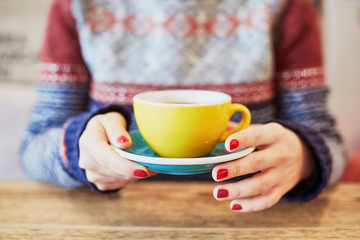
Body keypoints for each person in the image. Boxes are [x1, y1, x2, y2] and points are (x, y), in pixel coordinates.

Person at [20, 0, 346, 212]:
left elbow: (328, 141)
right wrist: (81, 151)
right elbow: (34, 147)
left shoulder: (287, 6)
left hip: (253, 218)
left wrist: (303, 156)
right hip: (115, 220)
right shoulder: (76, 6)